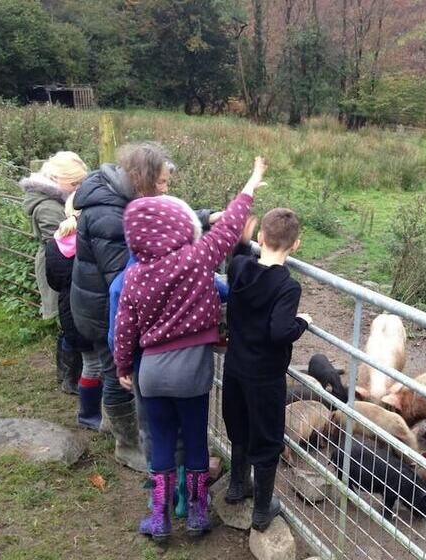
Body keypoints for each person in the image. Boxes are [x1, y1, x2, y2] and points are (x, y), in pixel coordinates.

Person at [113, 157, 267, 542]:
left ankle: (160, 520)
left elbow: (124, 327)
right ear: (179, 226)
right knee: (196, 441)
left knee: (162, 443)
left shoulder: (133, 276)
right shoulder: (196, 259)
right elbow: (231, 227)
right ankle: (198, 516)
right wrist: (251, 183)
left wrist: (122, 366)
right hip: (192, 369)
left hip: (151, 370)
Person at [71, 142, 170, 472]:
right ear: (143, 179)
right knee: (117, 372)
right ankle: (127, 445)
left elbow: (163, 213)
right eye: (162, 183)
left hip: (96, 300)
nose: (166, 189)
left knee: (110, 367)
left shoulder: (120, 197)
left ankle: (111, 421)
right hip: (103, 309)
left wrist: (200, 217)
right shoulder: (110, 218)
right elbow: (126, 280)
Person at [222, 206, 312, 532]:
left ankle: (236, 486)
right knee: (268, 438)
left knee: (239, 425)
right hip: (265, 377)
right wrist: (301, 323)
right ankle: (262, 510)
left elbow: (239, 258)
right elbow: (279, 331)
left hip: (234, 368)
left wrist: (244, 242)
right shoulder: (288, 287)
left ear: (261, 238)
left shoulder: (241, 268)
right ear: (296, 245)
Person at [20, 151, 89, 392]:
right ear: (58, 179)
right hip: (58, 265)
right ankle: (69, 377)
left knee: (67, 318)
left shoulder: (55, 197)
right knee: (67, 319)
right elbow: (59, 245)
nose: (78, 188)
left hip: (58, 261)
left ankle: (68, 374)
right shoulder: (49, 206)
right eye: (75, 183)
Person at [44, 196, 102, 427]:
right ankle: (90, 415)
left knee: (91, 363)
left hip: (69, 310)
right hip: (93, 310)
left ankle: (90, 414)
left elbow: (54, 282)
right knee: (100, 365)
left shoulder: (54, 243)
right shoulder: (91, 242)